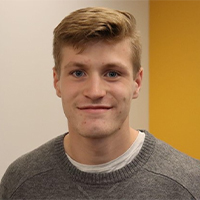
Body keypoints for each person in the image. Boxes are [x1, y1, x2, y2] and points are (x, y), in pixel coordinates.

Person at [0, 6, 200, 200]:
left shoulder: (189, 184)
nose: (94, 92)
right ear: (57, 81)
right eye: (78, 73)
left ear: (137, 83)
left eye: (112, 74)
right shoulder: (21, 183)